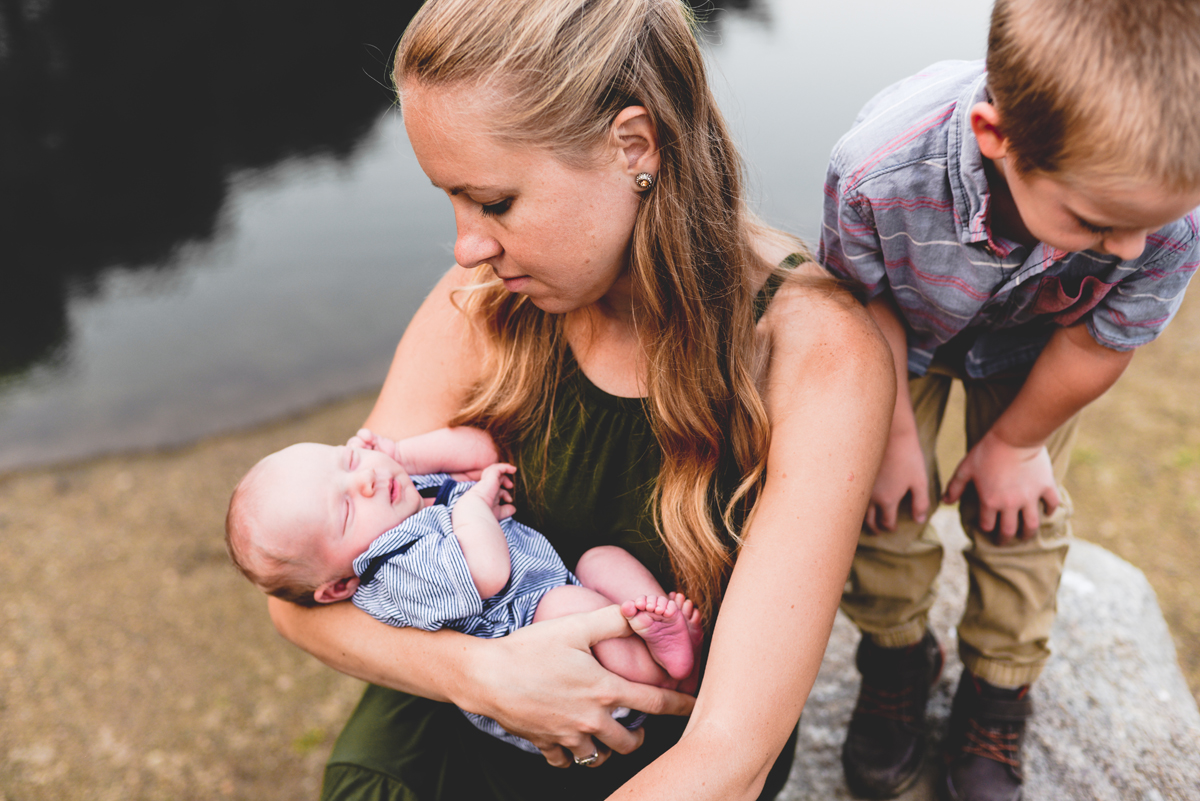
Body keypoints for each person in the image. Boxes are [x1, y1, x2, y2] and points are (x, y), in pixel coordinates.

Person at [266, 0, 895, 799]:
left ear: (634, 145)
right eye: (450, 198)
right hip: (444, 736)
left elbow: (731, 755)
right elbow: (296, 597)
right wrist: (483, 674)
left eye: (494, 202)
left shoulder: (819, 356)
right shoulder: (481, 298)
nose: (466, 246)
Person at [818, 1, 1200, 799]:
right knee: (875, 498)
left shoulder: (1159, 209)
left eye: (1147, 228)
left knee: (1024, 513)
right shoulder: (876, 172)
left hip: (1041, 346)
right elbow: (860, 305)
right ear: (999, 138)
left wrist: (1017, 445)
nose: (1131, 250)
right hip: (898, 329)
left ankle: (999, 685)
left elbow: (1102, 338)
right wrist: (890, 437)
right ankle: (896, 653)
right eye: (1100, 224)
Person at [225, 427, 703, 753]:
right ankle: (657, 674)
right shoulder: (393, 574)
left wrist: (403, 453)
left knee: (601, 560)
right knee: (569, 605)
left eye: (348, 461)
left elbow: (479, 451)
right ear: (340, 585)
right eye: (346, 509)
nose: (365, 479)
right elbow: (490, 573)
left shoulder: (404, 492)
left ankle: (667, 638)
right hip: (542, 660)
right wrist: (474, 503)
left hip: (554, 591)